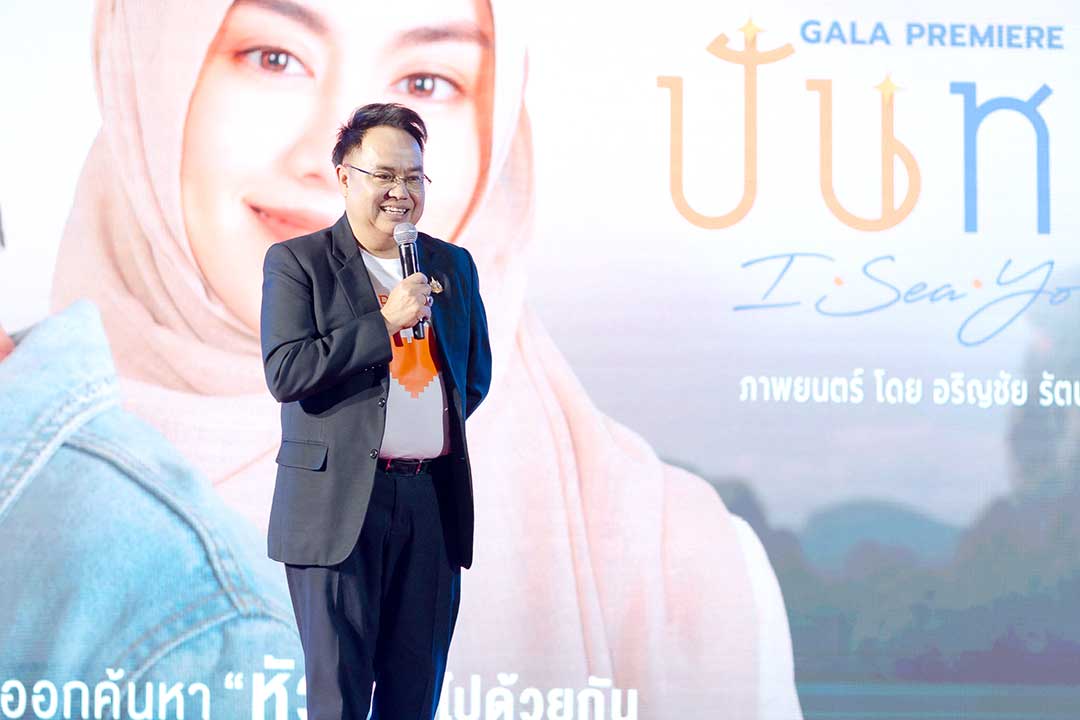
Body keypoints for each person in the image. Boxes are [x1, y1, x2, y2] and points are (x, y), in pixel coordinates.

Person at [21, 0, 800, 716]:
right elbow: (289, 372)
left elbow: (472, 374)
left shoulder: (676, 565)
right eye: (273, 57)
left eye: (428, 80)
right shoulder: (36, 481)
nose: (327, 161)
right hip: (327, 521)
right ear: (143, 69)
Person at [260, 103, 491, 719]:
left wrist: (420, 431)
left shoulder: (451, 265)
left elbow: (473, 377)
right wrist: (384, 322)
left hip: (429, 501)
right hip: (337, 506)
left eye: (413, 177)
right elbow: (287, 371)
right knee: (338, 699)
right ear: (345, 177)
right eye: (384, 175)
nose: (400, 192)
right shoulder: (299, 262)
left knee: (414, 696)